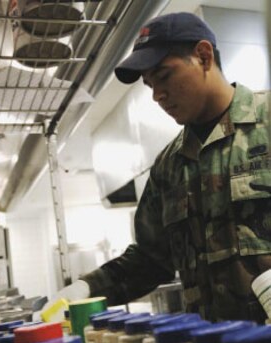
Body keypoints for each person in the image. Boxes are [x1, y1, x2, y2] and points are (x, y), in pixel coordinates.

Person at [47, 12, 271, 323]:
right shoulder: (169, 167)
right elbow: (151, 259)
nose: (157, 95)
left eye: (164, 76)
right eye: (150, 84)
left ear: (204, 57)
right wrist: (85, 288)